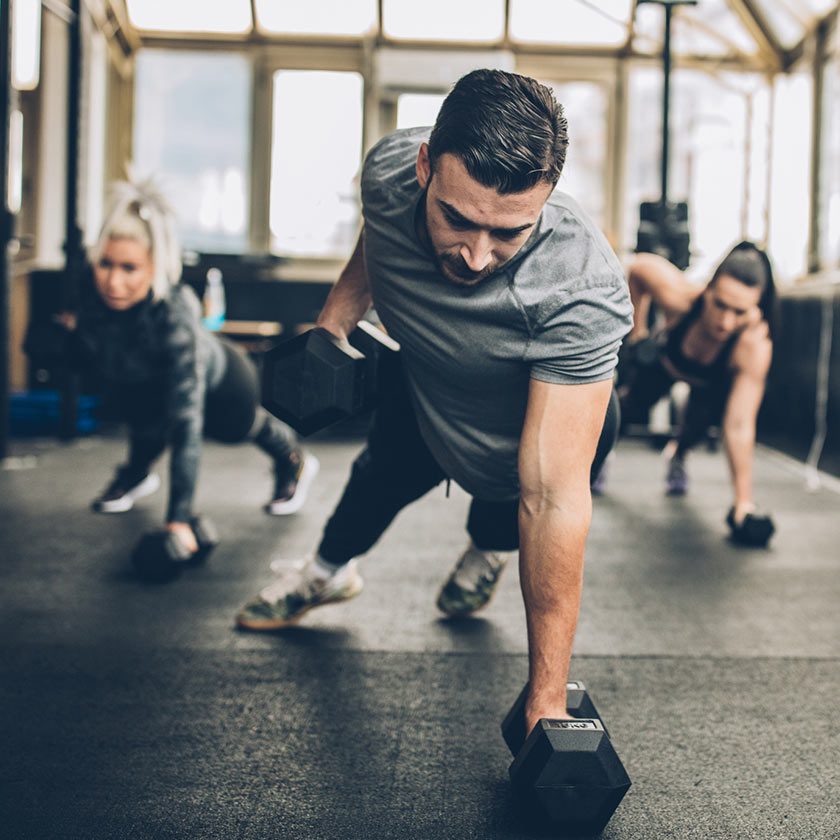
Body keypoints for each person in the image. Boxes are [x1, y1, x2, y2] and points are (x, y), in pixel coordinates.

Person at [236, 69, 633, 734]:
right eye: (457, 219)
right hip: (426, 384)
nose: (477, 257)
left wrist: (547, 702)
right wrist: (335, 319)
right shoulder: (390, 168)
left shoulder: (580, 289)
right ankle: (327, 573)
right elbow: (382, 234)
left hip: (528, 417)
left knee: (519, 499)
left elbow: (555, 499)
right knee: (377, 477)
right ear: (425, 168)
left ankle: (487, 553)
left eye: (508, 233)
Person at [60, 179, 318, 554]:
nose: (114, 281)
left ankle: (293, 460)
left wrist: (179, 519)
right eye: (106, 264)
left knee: (236, 427)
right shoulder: (93, 298)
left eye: (129, 268)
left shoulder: (174, 321)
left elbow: (185, 425)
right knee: (139, 399)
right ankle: (138, 472)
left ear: (154, 268)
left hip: (227, 381)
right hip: (152, 382)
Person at [602, 242, 775, 531]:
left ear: (755, 308)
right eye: (719, 304)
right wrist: (637, 333)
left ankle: (678, 456)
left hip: (709, 384)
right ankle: (601, 458)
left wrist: (743, 502)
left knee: (694, 430)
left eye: (739, 311)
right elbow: (639, 268)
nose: (725, 321)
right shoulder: (680, 297)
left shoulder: (753, 345)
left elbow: (740, 425)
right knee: (626, 409)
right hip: (665, 362)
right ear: (708, 288)